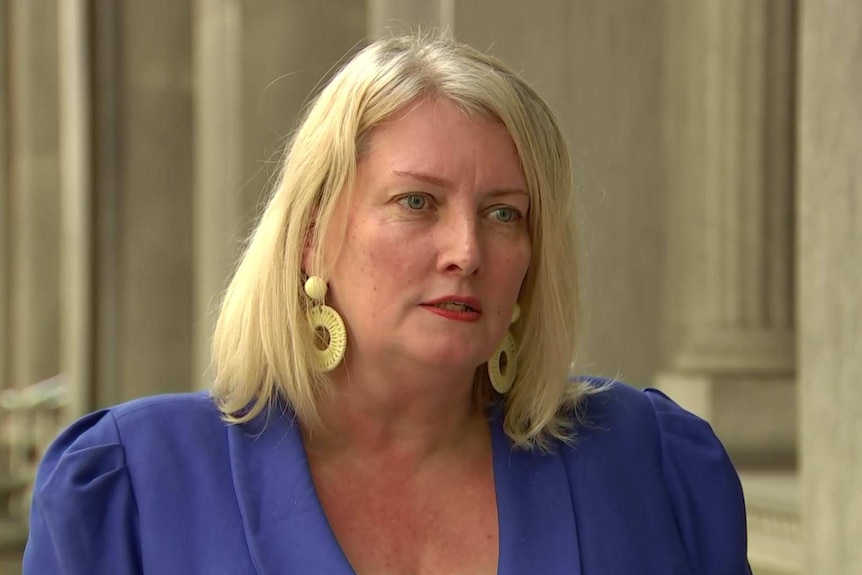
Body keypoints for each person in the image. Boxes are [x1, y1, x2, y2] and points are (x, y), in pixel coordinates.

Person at [23, 33, 750, 574]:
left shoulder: (650, 465)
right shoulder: (130, 489)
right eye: (416, 202)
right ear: (312, 237)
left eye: (504, 214)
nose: (466, 249)